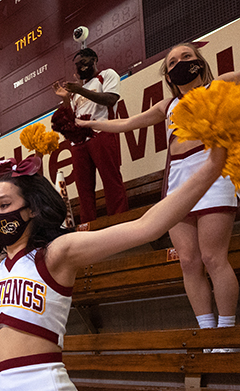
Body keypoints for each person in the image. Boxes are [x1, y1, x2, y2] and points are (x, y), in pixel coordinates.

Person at [0, 146, 227, 391]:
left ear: (33, 208)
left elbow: (147, 227)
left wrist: (212, 168)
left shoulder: (56, 253)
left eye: (4, 205)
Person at [77, 43, 240, 336]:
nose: (180, 63)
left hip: (214, 174)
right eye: (172, 61)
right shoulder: (166, 106)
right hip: (177, 181)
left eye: (186, 57)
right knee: (189, 261)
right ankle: (206, 331)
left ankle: (225, 333)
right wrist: (87, 124)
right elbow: (127, 123)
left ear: (200, 62)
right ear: (167, 75)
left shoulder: (221, 85)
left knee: (213, 258)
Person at [52, 47, 129, 223]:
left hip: (102, 132)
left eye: (84, 62)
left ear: (94, 59)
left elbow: (110, 99)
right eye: (77, 65)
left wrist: (79, 91)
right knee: (83, 187)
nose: (81, 67)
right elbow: (71, 116)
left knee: (111, 179)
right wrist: (66, 98)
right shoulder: (76, 91)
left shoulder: (107, 75)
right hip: (79, 141)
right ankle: (88, 224)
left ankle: (120, 220)